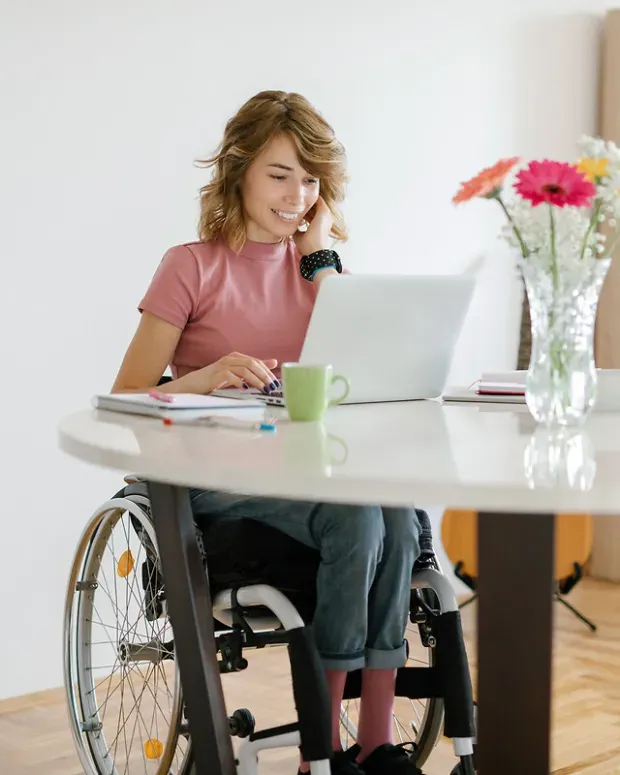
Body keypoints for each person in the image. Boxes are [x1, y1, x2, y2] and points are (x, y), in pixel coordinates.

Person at [112, 90, 426, 775]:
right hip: (217, 482)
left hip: (304, 471)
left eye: (310, 179)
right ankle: (327, 750)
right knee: (359, 523)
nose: (295, 194)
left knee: (398, 515)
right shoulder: (190, 265)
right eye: (280, 174)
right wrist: (209, 374)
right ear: (240, 171)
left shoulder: (317, 270)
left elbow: (364, 370)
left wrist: (318, 257)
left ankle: (375, 741)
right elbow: (127, 393)